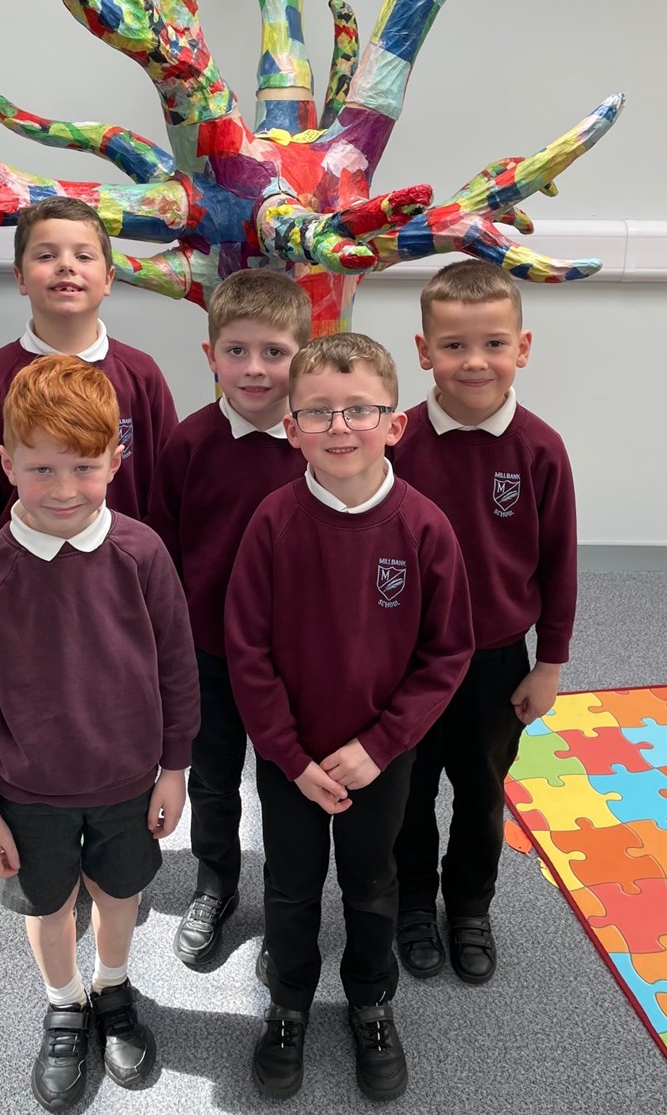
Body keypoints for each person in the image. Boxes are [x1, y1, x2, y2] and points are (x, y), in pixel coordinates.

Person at [225, 333, 474, 1103]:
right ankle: (290, 1005)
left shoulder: (426, 527)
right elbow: (247, 650)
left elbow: (447, 654)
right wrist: (290, 757)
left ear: (395, 423)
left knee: (374, 884)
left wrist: (381, 745)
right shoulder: (271, 522)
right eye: (319, 413)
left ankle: (371, 1002)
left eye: (360, 410)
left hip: (380, 757)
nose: (340, 428)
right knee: (293, 887)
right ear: (290, 428)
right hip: (287, 758)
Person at [0, 355, 199, 1111]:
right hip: (28, 790)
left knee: (119, 892)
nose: (64, 490)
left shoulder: (143, 553)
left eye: (85, 468)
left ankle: (113, 989)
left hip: (127, 778)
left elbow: (177, 667)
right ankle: (65, 1003)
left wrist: (175, 767)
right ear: (7, 465)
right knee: (48, 906)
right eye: (42, 469)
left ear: (116, 461)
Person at [392, 260, 577, 988]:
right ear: (423, 349)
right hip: (407, 663)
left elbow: (559, 562)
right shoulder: (395, 441)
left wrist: (550, 663)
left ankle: (469, 905)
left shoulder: (540, 449)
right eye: (455, 345)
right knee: (407, 792)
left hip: (499, 660)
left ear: (523, 349)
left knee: (480, 792)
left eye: (494, 344)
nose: (475, 362)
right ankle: (413, 903)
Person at [146, 269, 311, 967]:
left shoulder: (319, 447)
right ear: (210, 355)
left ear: (302, 356)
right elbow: (158, 551)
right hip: (206, 653)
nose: (254, 369)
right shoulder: (188, 444)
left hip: (293, 660)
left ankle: (287, 905)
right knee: (213, 779)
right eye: (237, 351)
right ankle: (215, 886)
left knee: (284, 782)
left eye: (274, 352)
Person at [0, 197, 177, 594]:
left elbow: (167, 491)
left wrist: (165, 584)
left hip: (124, 580)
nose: (66, 265)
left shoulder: (141, 375)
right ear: (21, 278)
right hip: (22, 581)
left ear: (108, 279)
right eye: (46, 254)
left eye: (83, 255)